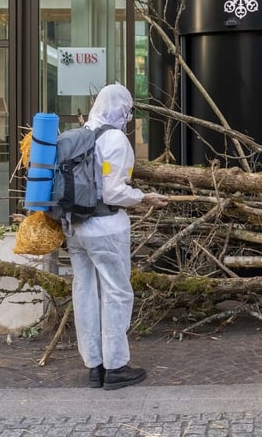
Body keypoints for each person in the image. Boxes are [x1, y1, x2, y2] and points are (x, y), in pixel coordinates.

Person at [65, 83, 169, 390]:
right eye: (127, 108)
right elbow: (113, 191)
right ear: (120, 108)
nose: (128, 114)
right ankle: (116, 367)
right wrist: (143, 196)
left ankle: (94, 366)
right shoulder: (114, 140)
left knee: (84, 293)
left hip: (74, 228)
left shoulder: (78, 136)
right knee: (116, 294)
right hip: (106, 228)